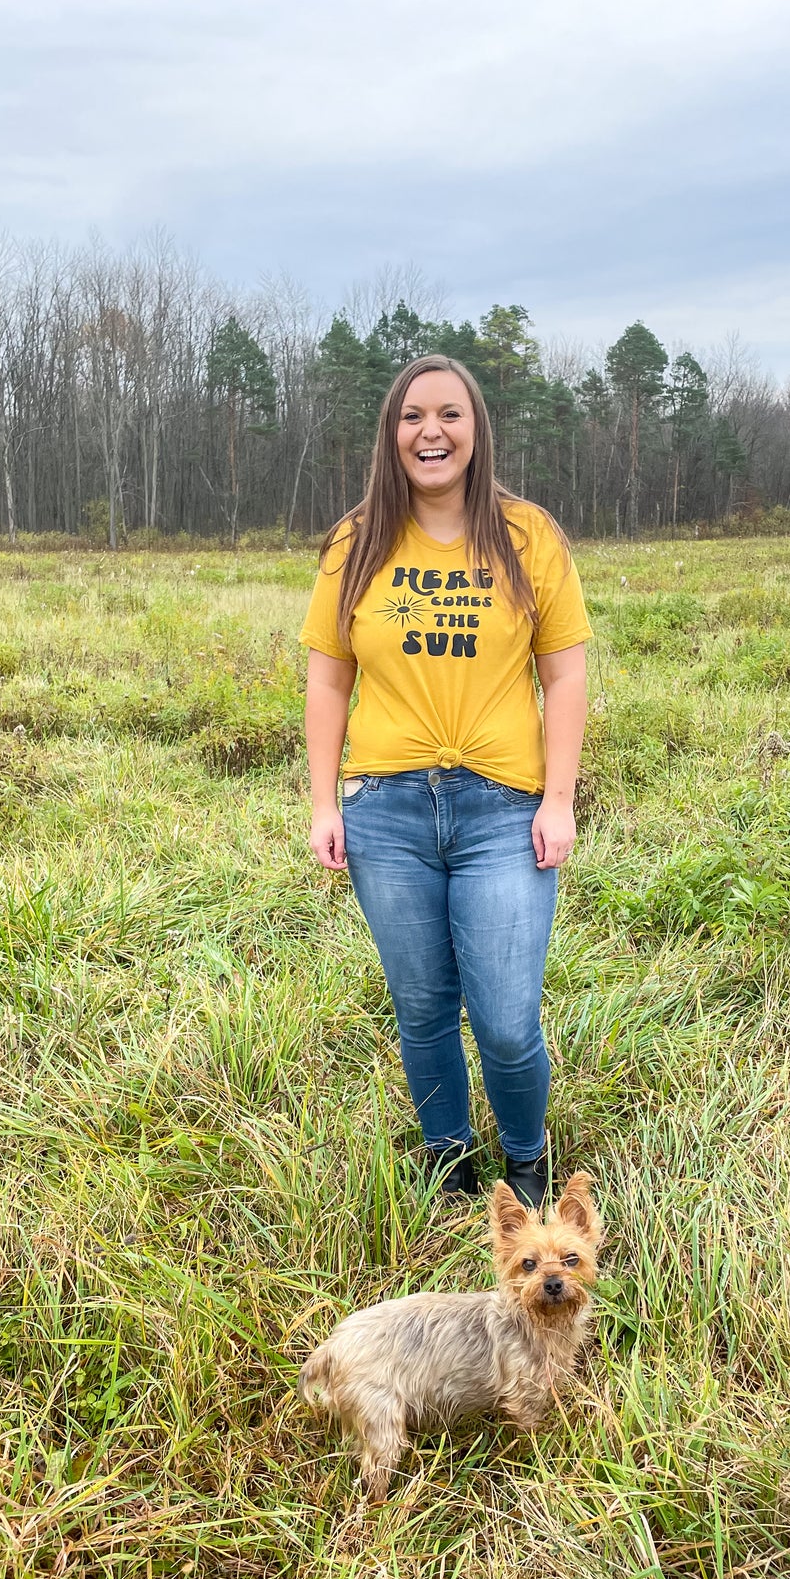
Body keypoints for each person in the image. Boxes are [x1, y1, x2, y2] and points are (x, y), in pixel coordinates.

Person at [300, 355, 591, 1208]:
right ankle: (448, 1160)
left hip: (502, 807)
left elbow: (564, 676)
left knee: (504, 1018)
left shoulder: (527, 535)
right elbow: (327, 679)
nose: (431, 432)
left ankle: (527, 1160)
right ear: (391, 435)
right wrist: (324, 801)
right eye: (412, 416)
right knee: (422, 1004)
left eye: (450, 415)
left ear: (476, 430)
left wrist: (560, 798)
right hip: (384, 810)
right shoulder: (354, 543)